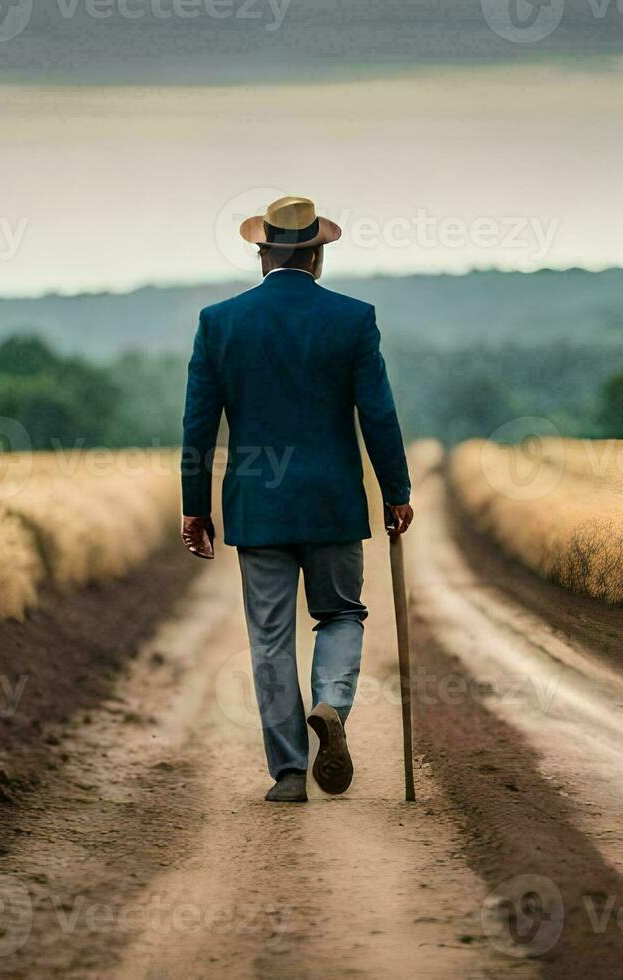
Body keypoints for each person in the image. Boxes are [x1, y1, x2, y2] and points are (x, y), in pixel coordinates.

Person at [180, 195, 413, 803]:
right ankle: (331, 704)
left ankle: (288, 773)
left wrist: (195, 507)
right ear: (317, 256)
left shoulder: (218, 322)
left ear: (263, 254)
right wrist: (397, 491)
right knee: (340, 614)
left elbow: (198, 427)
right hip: (333, 502)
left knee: (270, 636)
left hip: (257, 508)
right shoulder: (353, 319)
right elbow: (378, 414)